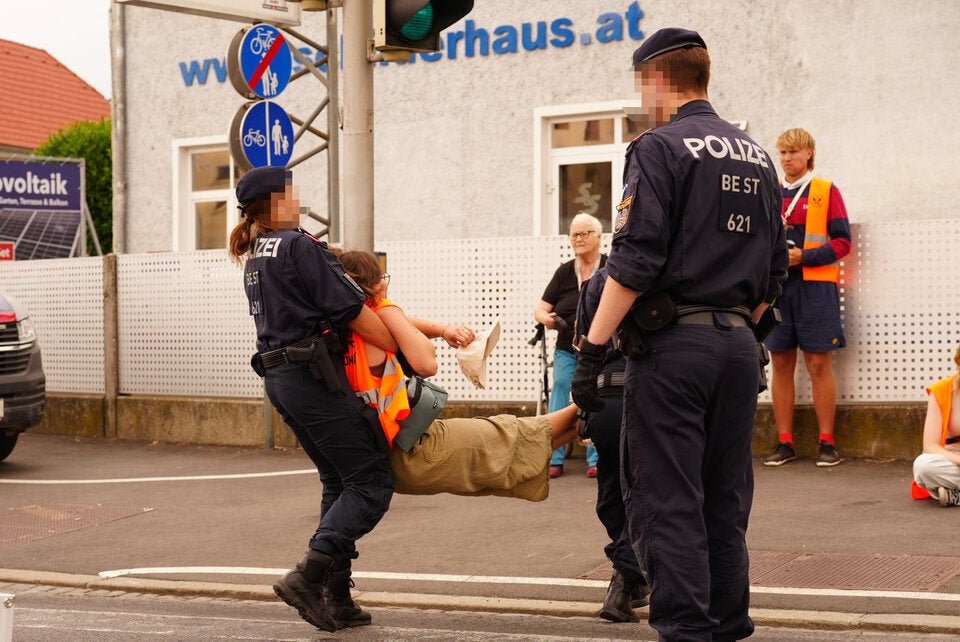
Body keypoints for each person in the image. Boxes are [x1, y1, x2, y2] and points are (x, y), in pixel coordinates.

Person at [570, 28, 787, 641]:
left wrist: (591, 353)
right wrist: (741, 332)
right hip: (740, 348)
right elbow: (776, 272)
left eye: (642, 85)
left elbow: (634, 261)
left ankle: (688, 631)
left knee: (667, 501)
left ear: (657, 79)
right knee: (725, 500)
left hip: (672, 352)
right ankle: (726, 625)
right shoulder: (758, 156)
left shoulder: (657, 148)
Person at [228, 166, 400, 633]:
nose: (298, 200)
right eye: (291, 193)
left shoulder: (257, 252)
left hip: (282, 378)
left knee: (338, 480)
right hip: (312, 377)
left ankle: (336, 596)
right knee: (370, 481)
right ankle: (308, 576)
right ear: (275, 201)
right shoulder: (298, 245)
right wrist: (398, 343)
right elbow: (351, 310)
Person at [337, 249, 580, 502]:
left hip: (370, 448)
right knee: (500, 436)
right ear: (375, 284)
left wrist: (444, 330)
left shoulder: (335, 327)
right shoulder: (380, 313)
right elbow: (427, 363)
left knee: (504, 446)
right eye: (382, 278)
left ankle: (580, 422)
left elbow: (394, 325)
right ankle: (582, 409)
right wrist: (387, 305)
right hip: (403, 448)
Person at [763, 127, 852, 467]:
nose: (787, 158)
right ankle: (784, 442)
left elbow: (843, 242)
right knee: (781, 364)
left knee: (818, 364)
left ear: (809, 153)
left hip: (816, 288)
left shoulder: (826, 190)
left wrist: (806, 256)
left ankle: (827, 442)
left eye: (793, 152)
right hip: (778, 288)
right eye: (783, 152)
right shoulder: (770, 191)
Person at [575, 266, 651, 622]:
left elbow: (583, 345)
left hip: (605, 394)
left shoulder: (597, 282)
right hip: (652, 391)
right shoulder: (670, 271)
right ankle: (626, 578)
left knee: (612, 492)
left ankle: (627, 581)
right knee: (646, 494)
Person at [534, 212, 606, 478]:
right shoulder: (564, 271)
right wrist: (546, 319)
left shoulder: (610, 266)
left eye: (585, 233)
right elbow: (540, 309)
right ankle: (554, 455)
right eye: (574, 234)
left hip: (600, 349)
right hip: (567, 347)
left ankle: (596, 457)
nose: (579, 238)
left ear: (599, 237)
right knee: (562, 388)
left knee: (596, 395)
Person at [912, 346, 960, 507]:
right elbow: (930, 445)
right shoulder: (941, 391)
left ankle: (955, 494)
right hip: (954, 457)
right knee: (924, 466)